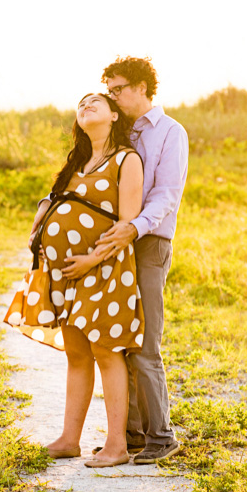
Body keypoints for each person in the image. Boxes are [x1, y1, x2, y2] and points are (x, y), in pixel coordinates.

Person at [4, 93, 146, 468]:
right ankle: (69, 439)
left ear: (114, 115)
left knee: (106, 352)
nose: (86, 106)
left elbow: (126, 224)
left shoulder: (126, 160)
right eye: (81, 104)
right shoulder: (79, 162)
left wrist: (91, 260)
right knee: (77, 355)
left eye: (95, 102)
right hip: (66, 274)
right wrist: (43, 212)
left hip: (103, 268)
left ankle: (117, 445)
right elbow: (57, 200)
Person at [87, 56, 189, 465]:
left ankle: (161, 435)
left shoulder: (170, 132)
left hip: (149, 243)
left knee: (146, 341)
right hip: (118, 243)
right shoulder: (118, 131)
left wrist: (135, 228)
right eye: (109, 90)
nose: (113, 96)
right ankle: (128, 435)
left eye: (118, 89)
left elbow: (167, 195)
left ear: (143, 87)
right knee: (119, 337)